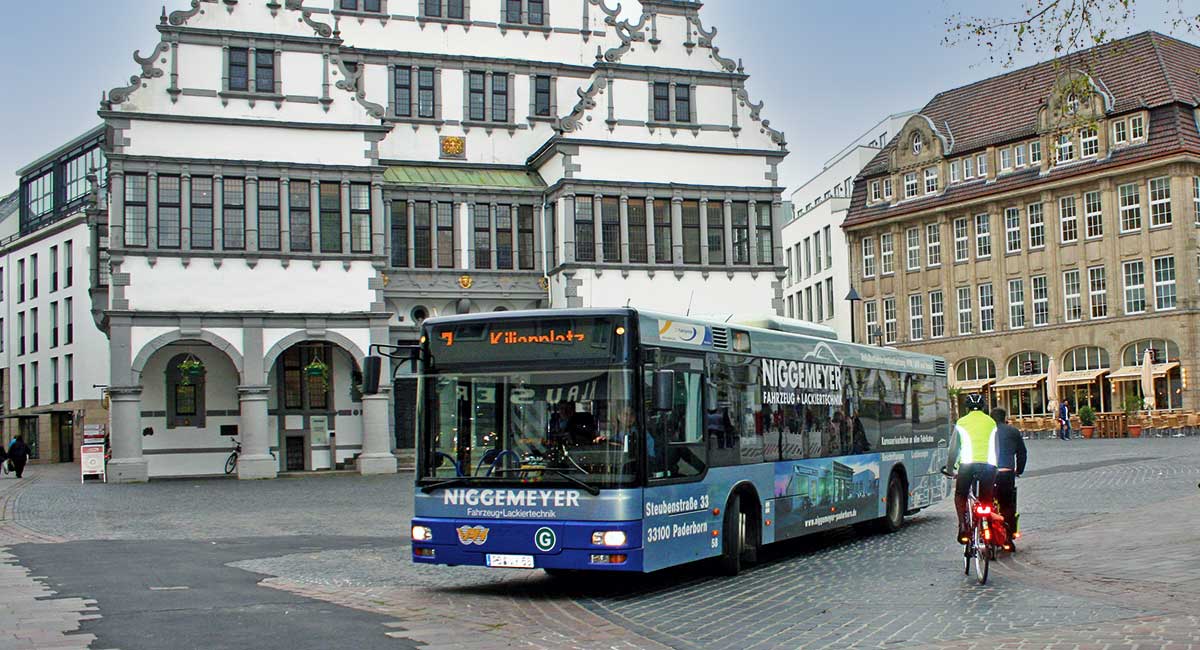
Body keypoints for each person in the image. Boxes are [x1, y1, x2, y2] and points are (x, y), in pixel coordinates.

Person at [944, 394, 998, 544]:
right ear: (983, 407)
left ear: (966, 408)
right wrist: (995, 467)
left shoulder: (961, 423)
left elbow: (953, 451)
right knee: (986, 499)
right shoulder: (991, 422)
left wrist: (949, 469)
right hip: (989, 466)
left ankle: (962, 526)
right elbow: (996, 448)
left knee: (960, 495)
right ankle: (987, 525)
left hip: (967, 466)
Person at [990, 408, 1027, 551]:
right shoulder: (1013, 431)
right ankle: (1008, 537)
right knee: (1007, 505)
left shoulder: (988, 431)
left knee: (985, 500)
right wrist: (1019, 470)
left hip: (989, 472)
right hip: (1006, 473)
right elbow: (1022, 453)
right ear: (1004, 418)